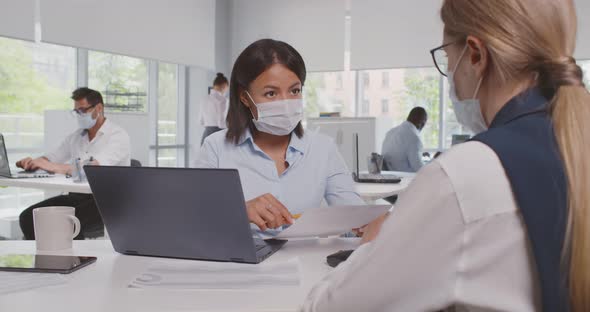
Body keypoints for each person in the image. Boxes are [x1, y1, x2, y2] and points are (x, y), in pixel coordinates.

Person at [302, 0, 589, 311]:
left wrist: (377, 245)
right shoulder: (572, 144)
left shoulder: (467, 175)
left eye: (448, 58)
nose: (450, 73)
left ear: (476, 55)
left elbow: (331, 307)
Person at [196, 39, 364, 233]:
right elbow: (196, 217)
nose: (286, 103)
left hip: (306, 261)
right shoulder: (215, 147)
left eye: (294, 90)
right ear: (244, 97)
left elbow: (355, 212)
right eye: (270, 94)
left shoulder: (323, 148)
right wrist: (240, 210)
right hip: (240, 262)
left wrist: (372, 222)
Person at [18, 87, 131, 240]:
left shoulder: (118, 136)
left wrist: (52, 167)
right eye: (76, 112)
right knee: (27, 218)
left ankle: (75, 261)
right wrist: (33, 162)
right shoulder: (77, 136)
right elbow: (52, 158)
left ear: (98, 108)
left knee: (65, 223)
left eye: (83, 110)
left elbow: (90, 170)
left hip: (106, 200)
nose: (79, 115)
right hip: (77, 195)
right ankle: (47, 259)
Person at [381, 107, 428, 172]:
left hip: (391, 176)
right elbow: (421, 170)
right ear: (422, 123)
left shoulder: (390, 132)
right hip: (405, 179)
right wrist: (434, 160)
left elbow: (399, 155)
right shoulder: (414, 138)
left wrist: (419, 154)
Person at [200, 73, 229, 145]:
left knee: (204, 155)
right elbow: (221, 122)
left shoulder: (204, 99)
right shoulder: (223, 100)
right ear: (224, 86)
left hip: (206, 133)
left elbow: (201, 121)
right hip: (218, 133)